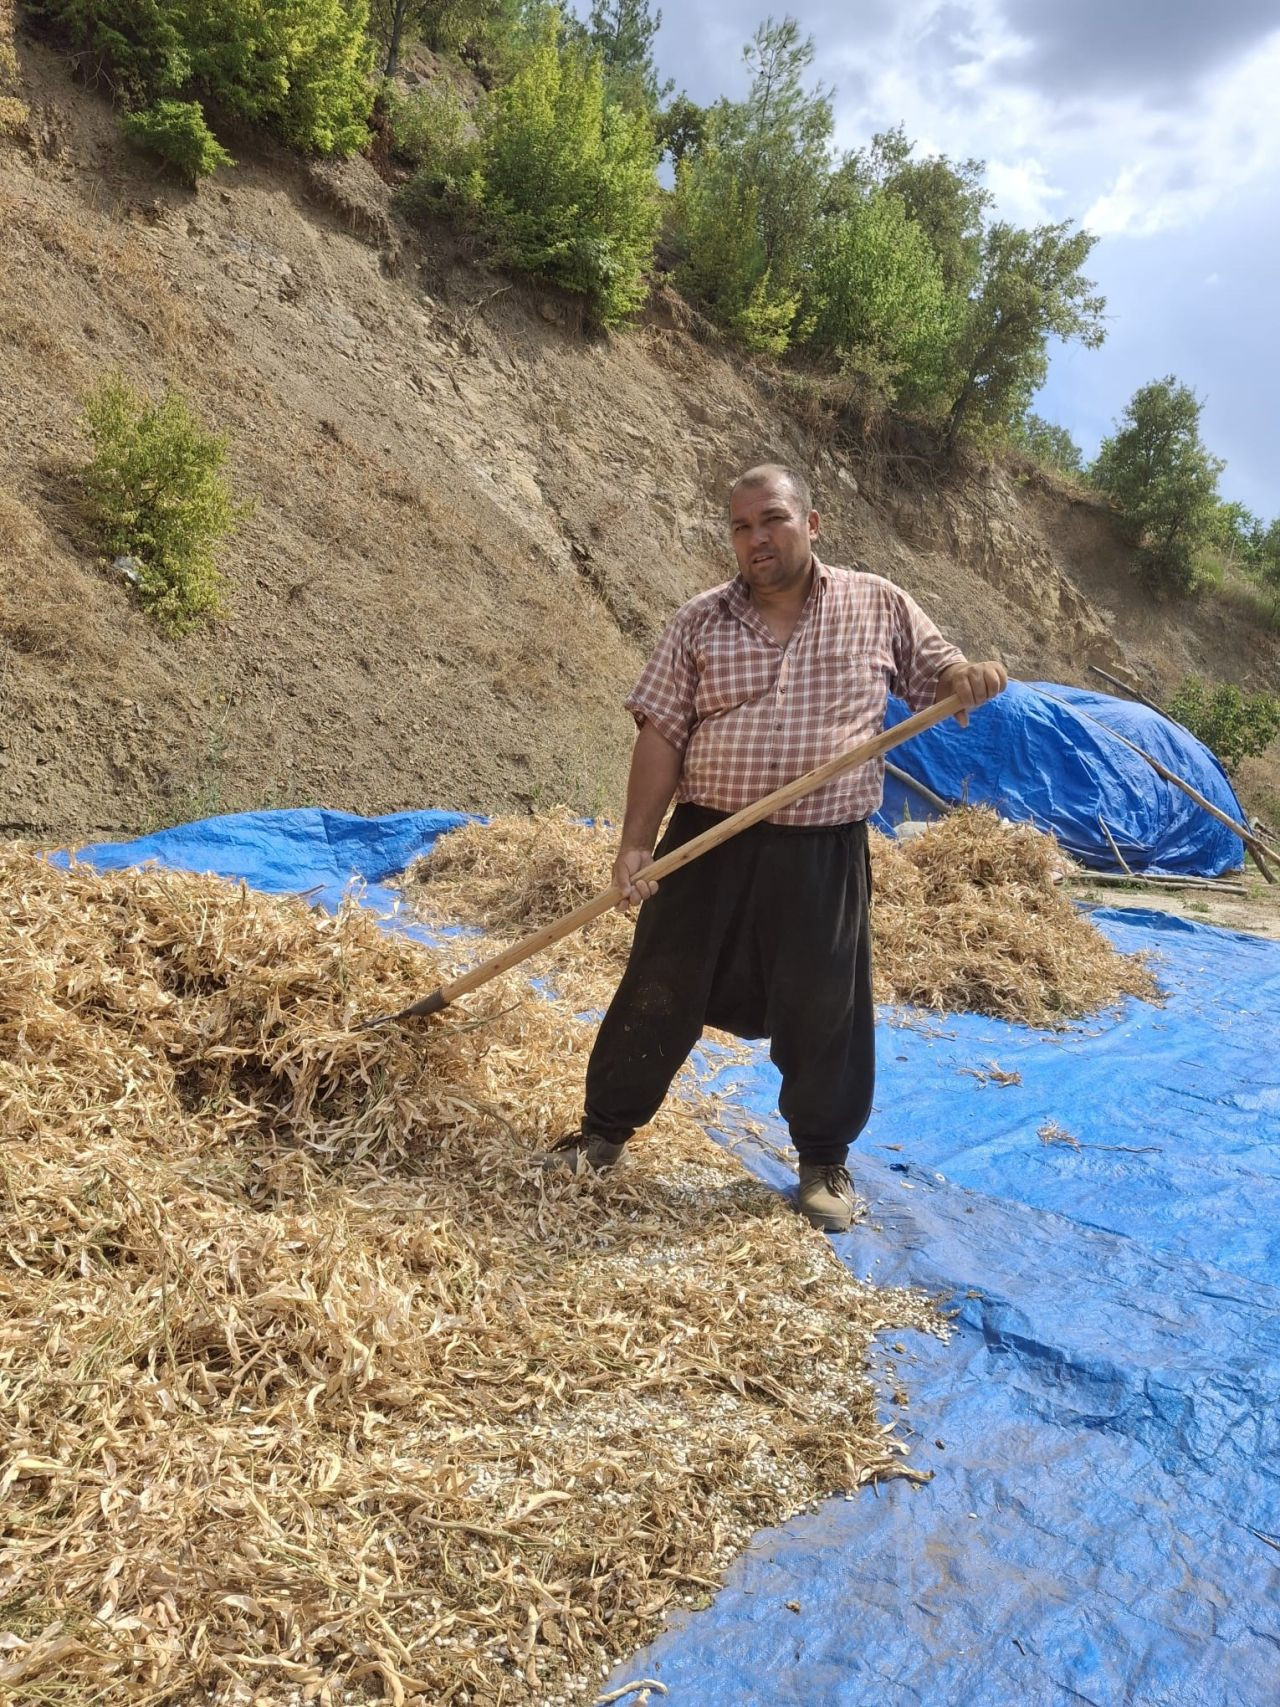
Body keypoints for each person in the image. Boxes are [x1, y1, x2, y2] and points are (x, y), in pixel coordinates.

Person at [547, 464, 1008, 1230]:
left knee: (825, 1004)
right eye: (741, 526)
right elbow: (662, 730)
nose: (757, 538)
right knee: (659, 987)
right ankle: (602, 1133)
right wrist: (633, 843)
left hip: (822, 847)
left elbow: (941, 675)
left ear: (812, 522)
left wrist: (969, 675)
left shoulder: (876, 601)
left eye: (772, 519)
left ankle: (824, 1159)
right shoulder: (700, 621)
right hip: (706, 839)